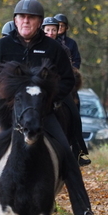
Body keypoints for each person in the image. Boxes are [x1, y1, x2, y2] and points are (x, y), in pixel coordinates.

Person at [0, 0, 102, 215]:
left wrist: (49, 101)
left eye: (31, 18)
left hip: (42, 114)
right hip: (8, 114)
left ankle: (84, 213)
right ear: (15, 20)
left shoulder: (54, 49)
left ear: (39, 22)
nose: (25, 21)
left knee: (66, 152)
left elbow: (67, 80)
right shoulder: (3, 47)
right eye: (21, 17)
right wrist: (3, 102)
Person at [42, 16, 91, 166]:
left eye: (53, 30)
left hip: (58, 89)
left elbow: (68, 71)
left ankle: (77, 151)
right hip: (40, 89)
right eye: (48, 30)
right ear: (42, 30)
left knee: (74, 114)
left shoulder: (64, 48)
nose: (50, 33)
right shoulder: (35, 45)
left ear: (58, 31)